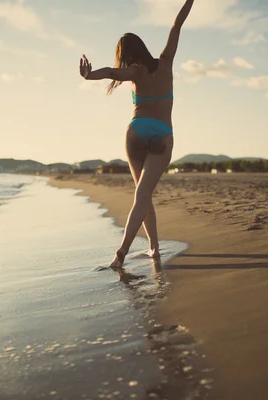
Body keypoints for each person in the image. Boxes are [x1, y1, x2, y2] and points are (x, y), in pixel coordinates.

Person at [79, 0, 195, 269]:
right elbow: (177, 25)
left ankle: (141, 250)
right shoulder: (165, 62)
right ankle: (136, 251)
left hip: (136, 132)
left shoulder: (134, 71)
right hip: (162, 135)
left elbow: (110, 71)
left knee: (142, 195)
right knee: (143, 195)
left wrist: (88, 76)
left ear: (127, 54)